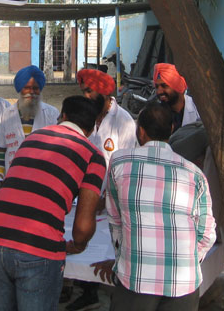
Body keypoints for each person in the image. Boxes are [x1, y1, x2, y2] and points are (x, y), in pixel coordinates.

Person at [0, 95, 106, 311]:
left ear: (63, 116)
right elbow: (83, 226)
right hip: (37, 247)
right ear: (92, 127)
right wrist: (78, 245)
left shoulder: (33, 138)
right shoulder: (93, 155)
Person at [100, 102, 216, 311]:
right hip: (184, 284)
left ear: (140, 131)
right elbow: (207, 234)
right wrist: (188, 261)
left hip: (135, 279)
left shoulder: (119, 163)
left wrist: (124, 259)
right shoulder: (194, 174)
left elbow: (115, 221)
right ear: (171, 129)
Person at [66, 68, 137, 311]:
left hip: (110, 201)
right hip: (83, 197)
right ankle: (83, 289)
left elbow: (125, 167)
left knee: (105, 246)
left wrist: (105, 198)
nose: (85, 96)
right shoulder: (84, 117)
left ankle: (102, 292)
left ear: (104, 93)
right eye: (83, 91)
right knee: (78, 240)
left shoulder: (123, 121)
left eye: (89, 91)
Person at [0, 65, 59, 175]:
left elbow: (58, 149)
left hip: (43, 176)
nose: (31, 92)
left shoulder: (52, 114)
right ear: (20, 89)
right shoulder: (5, 116)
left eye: (35, 88)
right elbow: (0, 149)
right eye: (27, 88)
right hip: (13, 175)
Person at [153, 63, 200, 130]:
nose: (159, 92)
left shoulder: (198, 109)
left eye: (164, 86)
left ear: (178, 86)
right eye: (157, 87)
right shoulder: (155, 114)